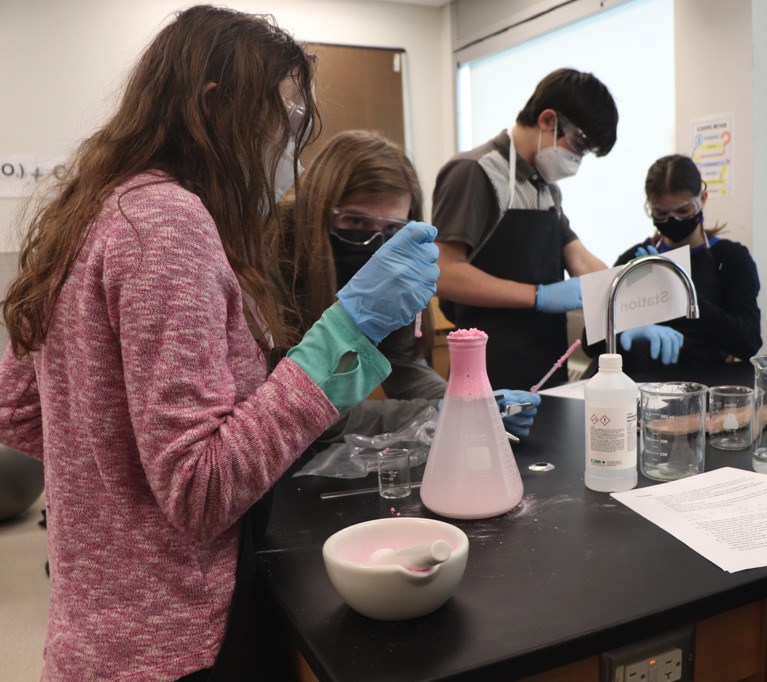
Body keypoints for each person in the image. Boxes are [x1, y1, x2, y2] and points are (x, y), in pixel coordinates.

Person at [0, 7, 438, 681]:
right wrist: (345, 335)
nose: (293, 151)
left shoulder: (100, 207)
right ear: (216, 105)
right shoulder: (168, 222)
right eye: (289, 122)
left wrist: (114, 486)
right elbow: (202, 490)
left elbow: (18, 408)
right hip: (176, 640)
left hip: (99, 631)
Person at [276, 130, 539, 438]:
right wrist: (438, 414)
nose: (374, 242)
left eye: (391, 228)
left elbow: (404, 364)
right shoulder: (274, 264)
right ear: (318, 211)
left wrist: (470, 404)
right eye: (356, 222)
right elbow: (302, 411)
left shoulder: (400, 269)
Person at [432, 68, 637, 390]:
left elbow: (580, 259)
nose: (578, 159)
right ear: (547, 120)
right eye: (579, 144)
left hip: (546, 364)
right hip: (489, 368)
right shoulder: (474, 172)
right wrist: (538, 296)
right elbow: (443, 272)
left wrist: (625, 304)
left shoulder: (546, 187)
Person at [611, 154, 762, 376]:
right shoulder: (635, 258)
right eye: (661, 213)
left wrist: (687, 295)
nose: (673, 220)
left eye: (684, 211)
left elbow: (748, 342)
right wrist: (625, 333)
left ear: (702, 198)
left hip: (705, 387)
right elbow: (590, 341)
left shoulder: (730, 259)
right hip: (640, 385)